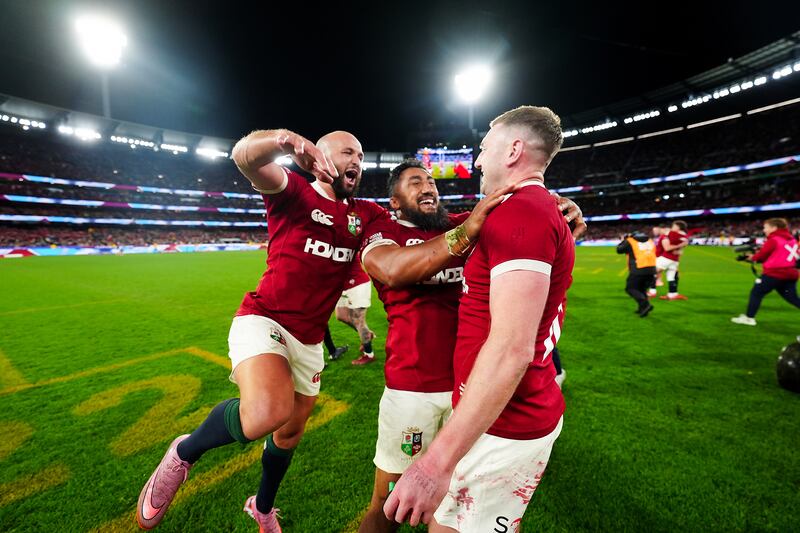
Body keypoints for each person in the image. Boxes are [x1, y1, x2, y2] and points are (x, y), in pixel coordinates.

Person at [135, 128, 508, 532]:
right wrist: (284, 141)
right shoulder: (293, 191)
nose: (357, 162)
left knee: (290, 432)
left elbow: (423, 223)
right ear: (320, 156)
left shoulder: (367, 214)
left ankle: (262, 507)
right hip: (265, 319)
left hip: (310, 339)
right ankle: (184, 452)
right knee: (267, 413)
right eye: (348, 152)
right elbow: (244, 158)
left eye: (361, 157)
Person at [357, 159, 585, 533]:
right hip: (413, 389)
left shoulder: (467, 221)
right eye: (415, 183)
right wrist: (466, 233)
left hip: (478, 391)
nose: (428, 187)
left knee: (470, 504)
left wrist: (564, 208)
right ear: (394, 201)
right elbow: (393, 270)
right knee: (389, 502)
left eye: (430, 181)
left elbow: (526, 214)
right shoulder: (384, 230)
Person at [731, 218, 800, 326]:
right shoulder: (792, 239)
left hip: (775, 273)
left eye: (766, 227)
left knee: (756, 293)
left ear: (774, 228)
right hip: (791, 273)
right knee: (793, 298)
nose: (764, 230)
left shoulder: (774, 239)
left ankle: (749, 318)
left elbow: (762, 256)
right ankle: (749, 317)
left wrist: (752, 258)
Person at [334, 257, 377, 365]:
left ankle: (369, 354)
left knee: (358, 320)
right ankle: (367, 334)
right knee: (341, 315)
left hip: (358, 284)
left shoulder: (345, 241)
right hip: (343, 286)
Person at [617, 231, 657, 317]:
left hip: (639, 268)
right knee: (642, 290)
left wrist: (624, 240)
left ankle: (645, 304)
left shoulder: (630, 241)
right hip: (652, 268)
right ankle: (642, 309)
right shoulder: (650, 240)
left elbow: (619, 250)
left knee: (630, 288)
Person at [657, 220, 689, 301]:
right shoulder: (684, 236)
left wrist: (679, 246)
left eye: (674, 226)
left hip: (667, 258)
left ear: (678, 227)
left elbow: (667, 248)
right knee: (671, 277)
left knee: (649, 271)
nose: (672, 227)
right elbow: (683, 244)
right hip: (675, 260)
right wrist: (681, 248)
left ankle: (649, 291)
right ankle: (672, 295)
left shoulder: (673, 233)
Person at [648, 224, 668, 296]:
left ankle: (652, 289)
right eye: (653, 230)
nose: (654, 232)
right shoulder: (658, 237)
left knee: (654, 271)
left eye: (655, 230)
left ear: (659, 229)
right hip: (656, 255)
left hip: (661, 256)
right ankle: (658, 281)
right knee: (657, 270)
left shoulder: (663, 237)